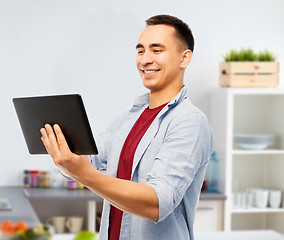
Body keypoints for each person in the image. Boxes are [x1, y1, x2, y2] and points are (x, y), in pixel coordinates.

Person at [40, 14, 214, 240]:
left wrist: (85, 174)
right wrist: (64, 149)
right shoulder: (127, 119)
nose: (145, 59)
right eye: (141, 50)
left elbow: (157, 204)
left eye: (157, 50)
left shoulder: (190, 121)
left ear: (184, 58)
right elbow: (85, 159)